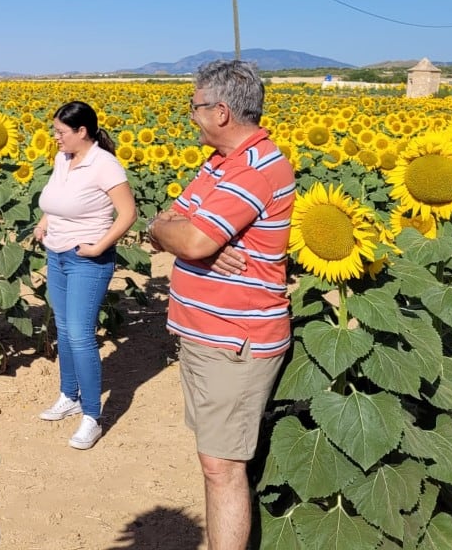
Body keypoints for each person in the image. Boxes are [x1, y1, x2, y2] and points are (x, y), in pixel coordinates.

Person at [148, 59, 294, 550]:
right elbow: (172, 222)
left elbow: (187, 237)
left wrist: (178, 237)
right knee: (215, 459)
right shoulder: (220, 164)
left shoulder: (255, 169)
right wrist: (168, 231)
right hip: (207, 335)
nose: (191, 115)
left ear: (222, 111)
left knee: (222, 467)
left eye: (195, 106)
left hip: (235, 341)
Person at [32, 101, 136, 451]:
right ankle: (69, 396)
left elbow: (128, 213)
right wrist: (45, 223)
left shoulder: (104, 165)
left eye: (61, 132)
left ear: (82, 132)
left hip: (87, 260)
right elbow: (56, 198)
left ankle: (92, 415)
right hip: (57, 254)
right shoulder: (63, 159)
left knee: (79, 334)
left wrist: (98, 246)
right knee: (63, 328)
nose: (55, 137)